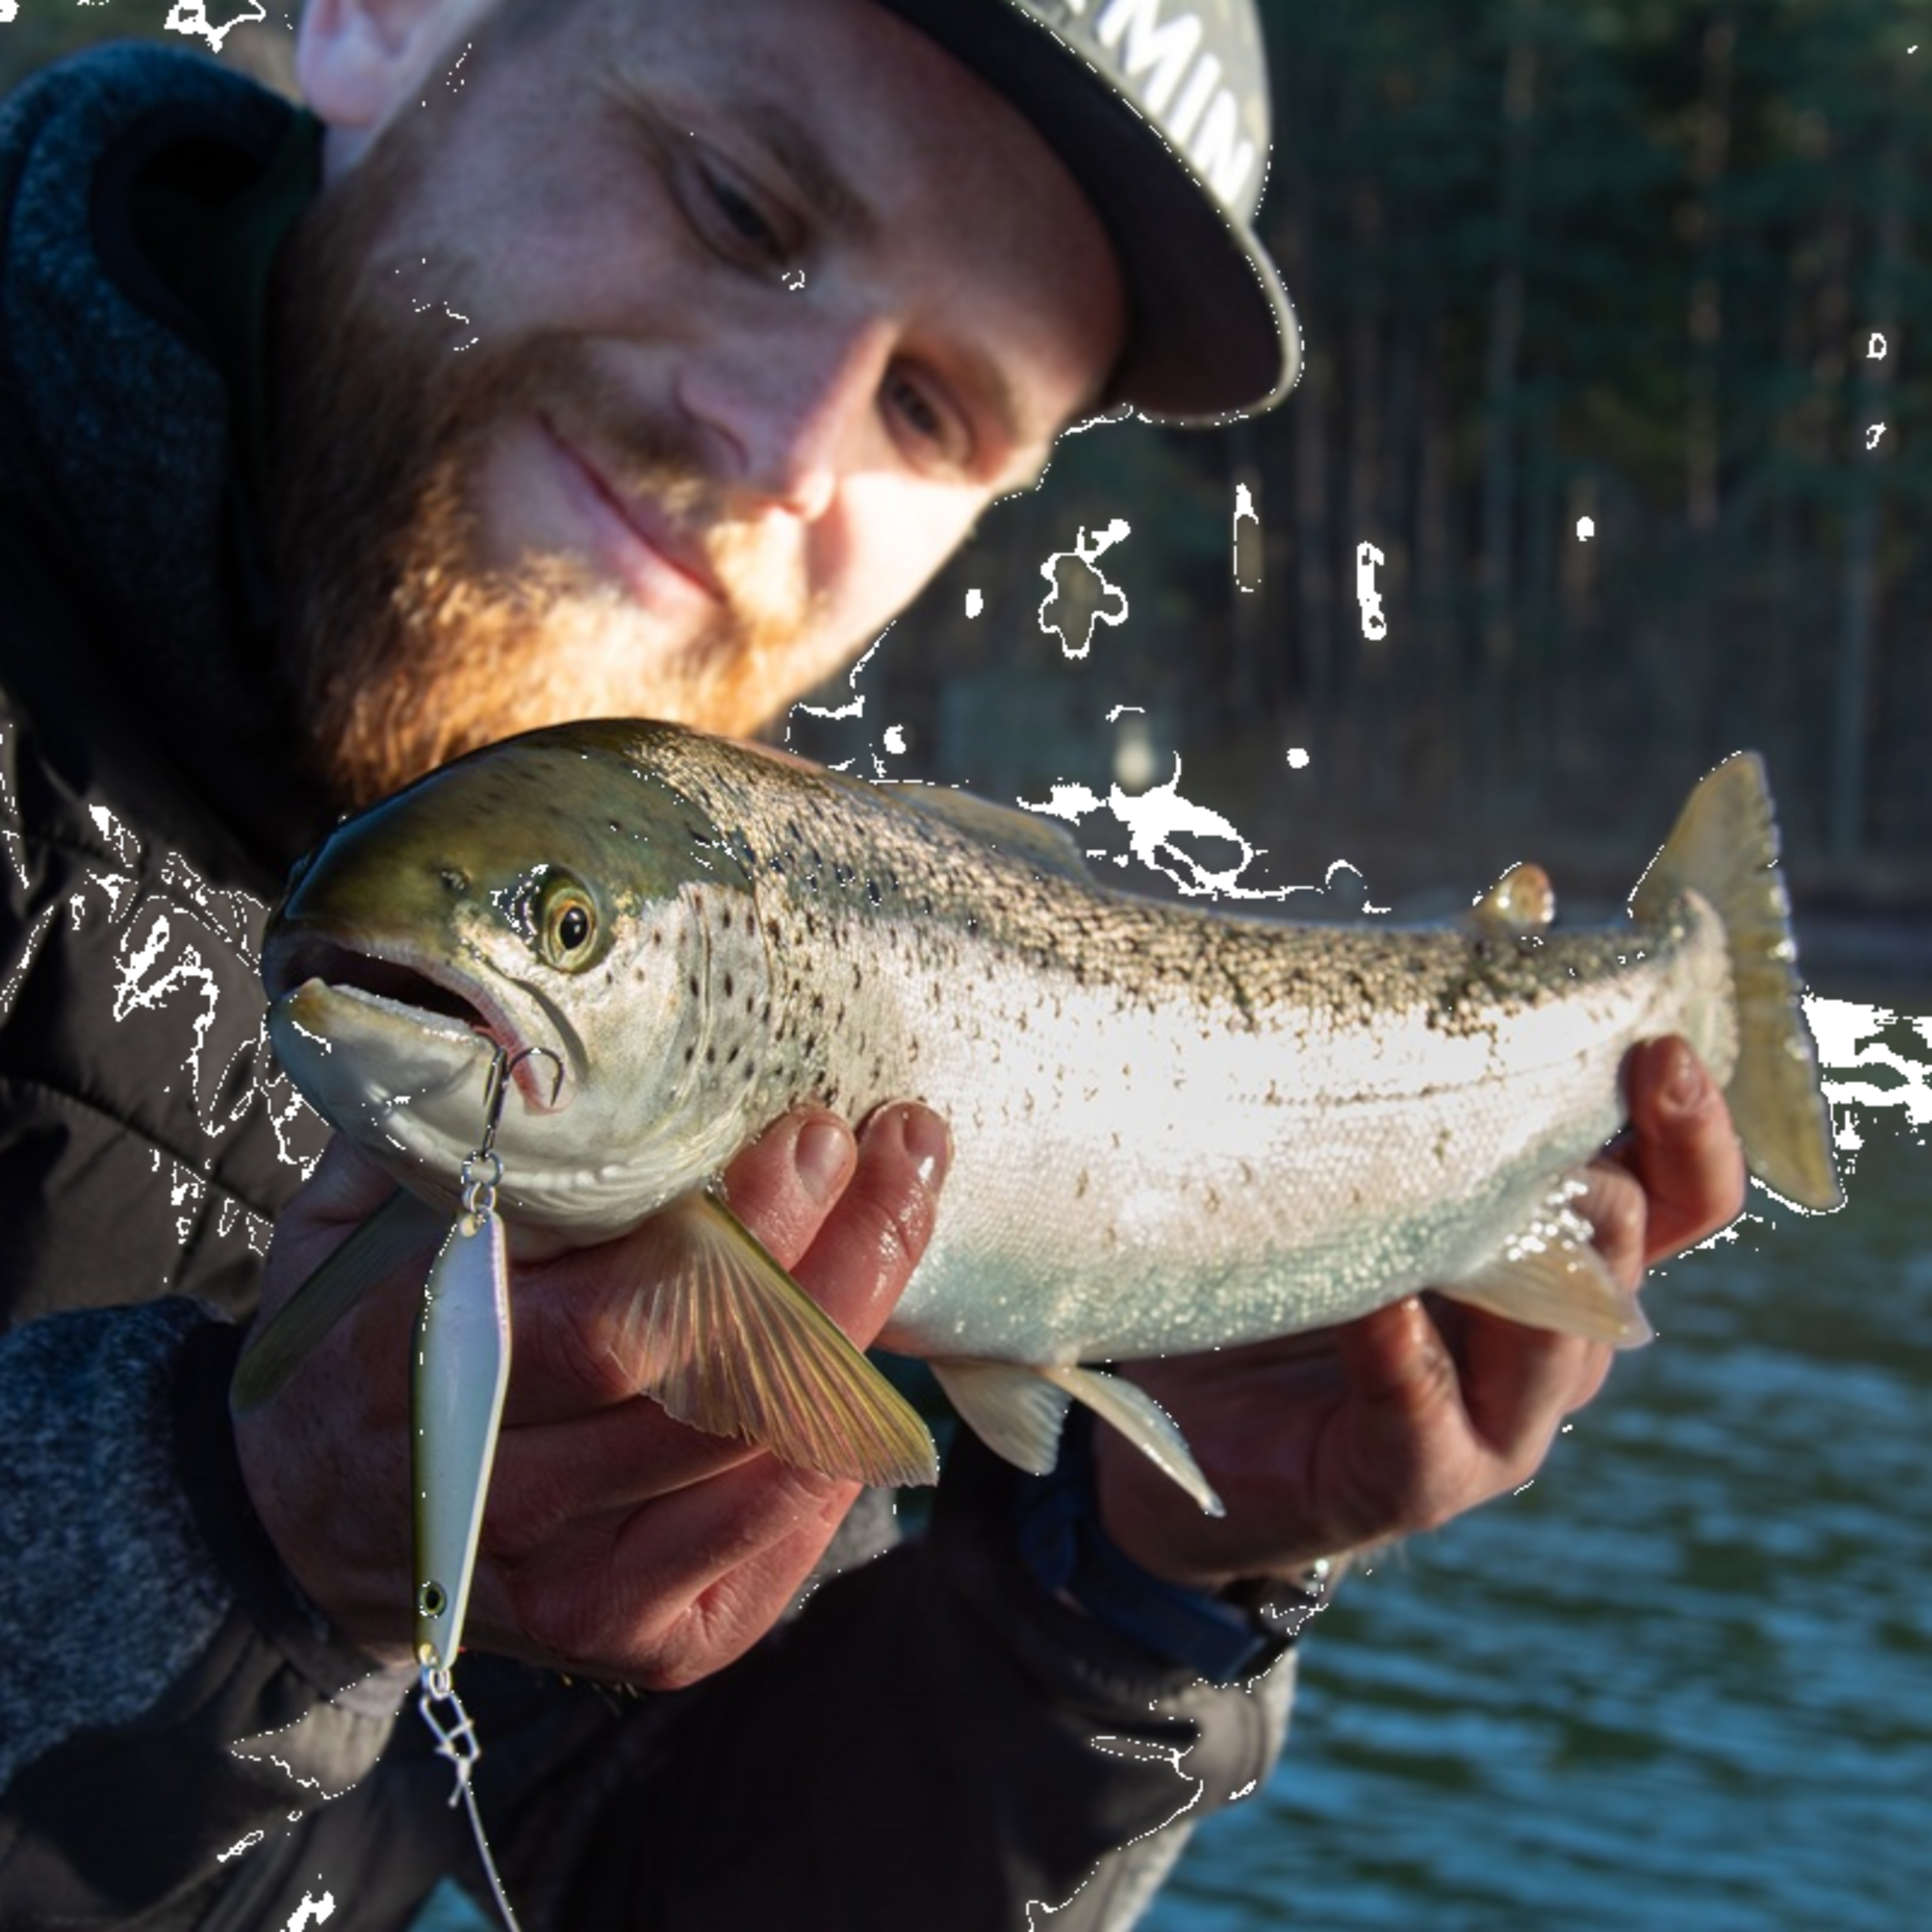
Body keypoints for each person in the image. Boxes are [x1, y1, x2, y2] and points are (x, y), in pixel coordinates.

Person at [0, 1, 1746, 1926]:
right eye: (741, 206)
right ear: (376, 17)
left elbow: (652, 1866)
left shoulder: (775, 1026)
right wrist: (215, 1524)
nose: (780, 447)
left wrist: (1131, 1595)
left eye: (933, 410)